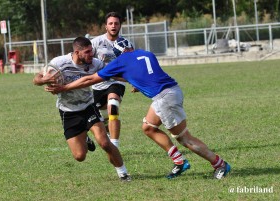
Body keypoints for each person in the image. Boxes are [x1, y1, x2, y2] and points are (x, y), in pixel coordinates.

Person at [46, 37, 231, 180]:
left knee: (184, 138)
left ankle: (219, 164)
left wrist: (63, 88)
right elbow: (144, 74)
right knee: (148, 127)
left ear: (118, 54)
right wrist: (134, 81)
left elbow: (89, 79)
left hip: (164, 98)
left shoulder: (120, 61)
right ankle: (179, 161)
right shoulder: (147, 54)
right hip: (172, 91)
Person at [33, 36, 131, 181]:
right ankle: (85, 138)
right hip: (68, 111)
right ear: (77, 52)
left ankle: (123, 173)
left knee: (104, 142)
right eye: (87, 52)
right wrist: (43, 80)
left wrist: (134, 79)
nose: (91, 54)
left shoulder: (95, 64)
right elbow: (36, 79)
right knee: (80, 156)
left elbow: (114, 75)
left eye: (92, 51)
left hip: (88, 107)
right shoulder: (59, 63)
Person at [90, 11, 131, 148]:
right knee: (98, 118)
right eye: (110, 23)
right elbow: (86, 61)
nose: (113, 26)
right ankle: (105, 131)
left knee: (113, 106)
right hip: (97, 84)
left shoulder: (126, 44)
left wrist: (136, 81)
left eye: (116, 23)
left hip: (117, 82)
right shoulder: (96, 42)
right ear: (106, 26)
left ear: (120, 26)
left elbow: (132, 65)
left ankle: (115, 145)